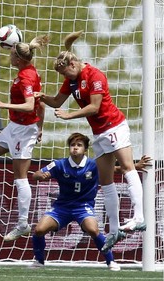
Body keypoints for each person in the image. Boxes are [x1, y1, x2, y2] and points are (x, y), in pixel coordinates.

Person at [35, 31, 146, 251]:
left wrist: (68, 116)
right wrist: (42, 96)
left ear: (73, 64)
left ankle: (140, 217)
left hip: (114, 126)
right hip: (99, 133)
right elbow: (57, 100)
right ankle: (114, 231)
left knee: (126, 167)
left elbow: (94, 107)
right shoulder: (72, 79)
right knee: (106, 181)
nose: (64, 77)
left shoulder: (95, 76)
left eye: (65, 71)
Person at [30, 133, 152, 270]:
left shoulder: (93, 165)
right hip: (61, 207)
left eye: (79, 145)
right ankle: (39, 261)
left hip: (83, 207)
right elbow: (35, 175)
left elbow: (115, 169)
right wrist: (40, 175)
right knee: (39, 230)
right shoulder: (59, 164)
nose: (75, 148)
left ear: (85, 149)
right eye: (72, 145)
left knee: (93, 230)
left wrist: (135, 166)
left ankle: (111, 261)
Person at [0, 36, 49, 241]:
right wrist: (40, 126)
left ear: (18, 58)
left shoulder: (26, 77)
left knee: (20, 176)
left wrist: (3, 105)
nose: (9, 56)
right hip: (16, 126)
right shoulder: (29, 72)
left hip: (23, 131)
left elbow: (29, 105)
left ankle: (23, 224)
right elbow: (40, 103)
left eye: (11, 54)